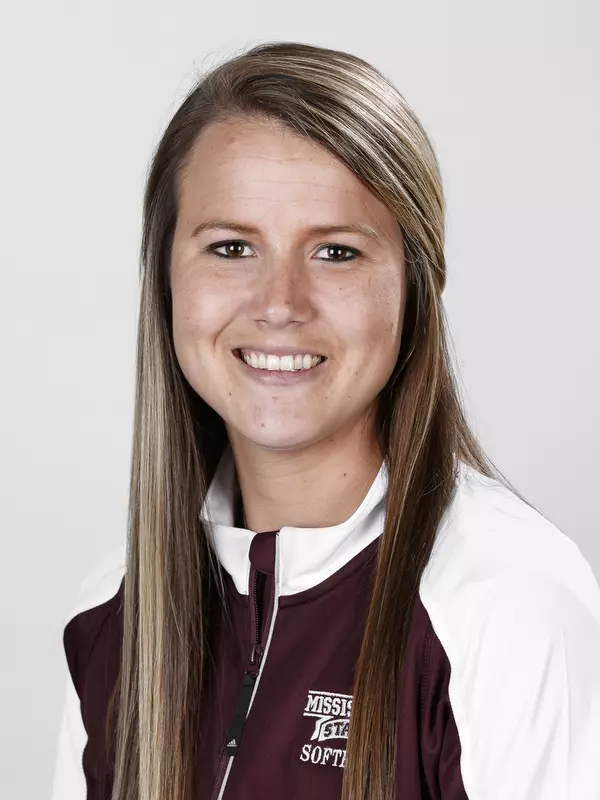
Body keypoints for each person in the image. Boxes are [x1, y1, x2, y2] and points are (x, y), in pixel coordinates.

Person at [51, 40, 600, 800]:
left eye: (336, 252)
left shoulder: (508, 603)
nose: (279, 303)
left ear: (415, 285)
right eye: (231, 246)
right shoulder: (111, 611)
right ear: (166, 277)